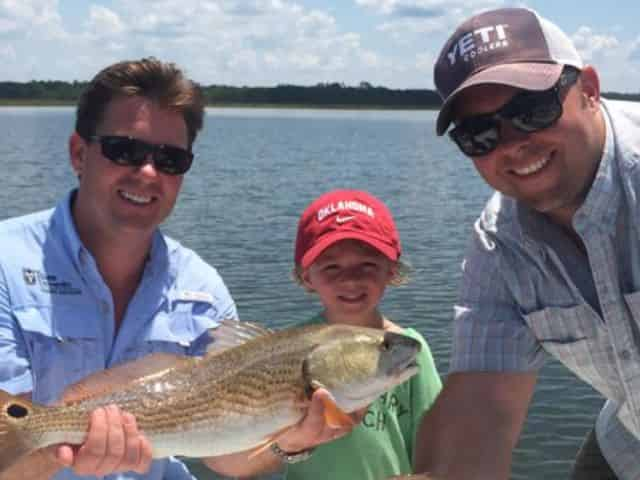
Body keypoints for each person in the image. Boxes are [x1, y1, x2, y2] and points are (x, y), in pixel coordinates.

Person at [0, 58, 360, 480]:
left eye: (171, 159)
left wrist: (292, 441)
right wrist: (64, 449)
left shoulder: (202, 288)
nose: (148, 172)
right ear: (79, 152)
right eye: (125, 150)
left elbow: (227, 456)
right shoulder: (6, 263)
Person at [412, 7, 640, 480]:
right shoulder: (499, 247)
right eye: (479, 135)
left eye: (531, 110)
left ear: (590, 90)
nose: (512, 144)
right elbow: (482, 411)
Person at [284, 189, 442, 479]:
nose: (351, 279)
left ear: (391, 270)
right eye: (332, 266)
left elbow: (436, 447)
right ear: (307, 277)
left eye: (368, 264)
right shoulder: (289, 349)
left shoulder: (408, 349)